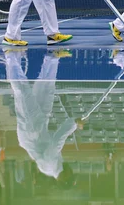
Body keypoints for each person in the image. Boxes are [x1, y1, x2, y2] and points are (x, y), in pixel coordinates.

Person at [5, 49, 82, 181]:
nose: (71, 171)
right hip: (40, 127)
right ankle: (52, 58)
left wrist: (74, 124)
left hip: (31, 130)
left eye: (71, 174)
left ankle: (11, 57)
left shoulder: (51, 165)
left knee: (22, 92)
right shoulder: (54, 168)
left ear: (65, 178)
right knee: (46, 89)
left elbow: (58, 139)